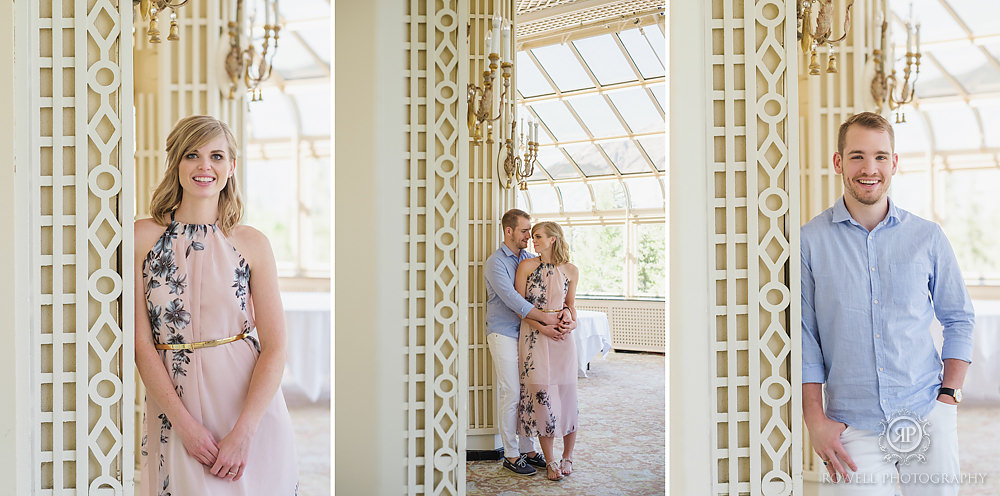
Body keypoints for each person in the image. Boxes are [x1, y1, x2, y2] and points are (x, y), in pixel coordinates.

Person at [801, 112, 975, 495]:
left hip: (927, 411)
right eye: (857, 155)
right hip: (851, 425)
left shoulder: (927, 237)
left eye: (880, 156)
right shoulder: (808, 241)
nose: (869, 168)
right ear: (838, 162)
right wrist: (815, 419)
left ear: (894, 163)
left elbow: (959, 318)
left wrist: (948, 398)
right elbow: (804, 338)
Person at [134, 115, 298, 495]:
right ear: (175, 163)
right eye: (192, 155)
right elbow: (141, 345)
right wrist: (185, 427)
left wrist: (245, 431)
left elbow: (275, 345)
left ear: (231, 167)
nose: (205, 166)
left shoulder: (252, 243)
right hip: (176, 406)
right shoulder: (141, 237)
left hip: (249, 408)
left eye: (217, 156)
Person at [484, 209, 573, 476]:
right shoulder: (496, 262)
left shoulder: (528, 259)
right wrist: (547, 321)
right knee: (511, 391)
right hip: (503, 332)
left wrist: (565, 315)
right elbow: (514, 301)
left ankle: (529, 448)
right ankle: (511, 454)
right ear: (508, 231)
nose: (529, 236)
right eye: (525, 231)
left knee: (528, 391)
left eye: (532, 232)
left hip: (528, 334)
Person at [515, 221, 580, 481]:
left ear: (553, 239)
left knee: (567, 396)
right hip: (534, 337)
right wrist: (542, 328)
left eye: (538, 236)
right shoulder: (526, 267)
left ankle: (568, 457)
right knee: (543, 397)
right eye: (532, 236)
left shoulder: (571, 270)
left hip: (563, 340)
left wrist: (572, 322)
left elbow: (572, 305)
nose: (533, 241)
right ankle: (550, 461)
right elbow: (520, 307)